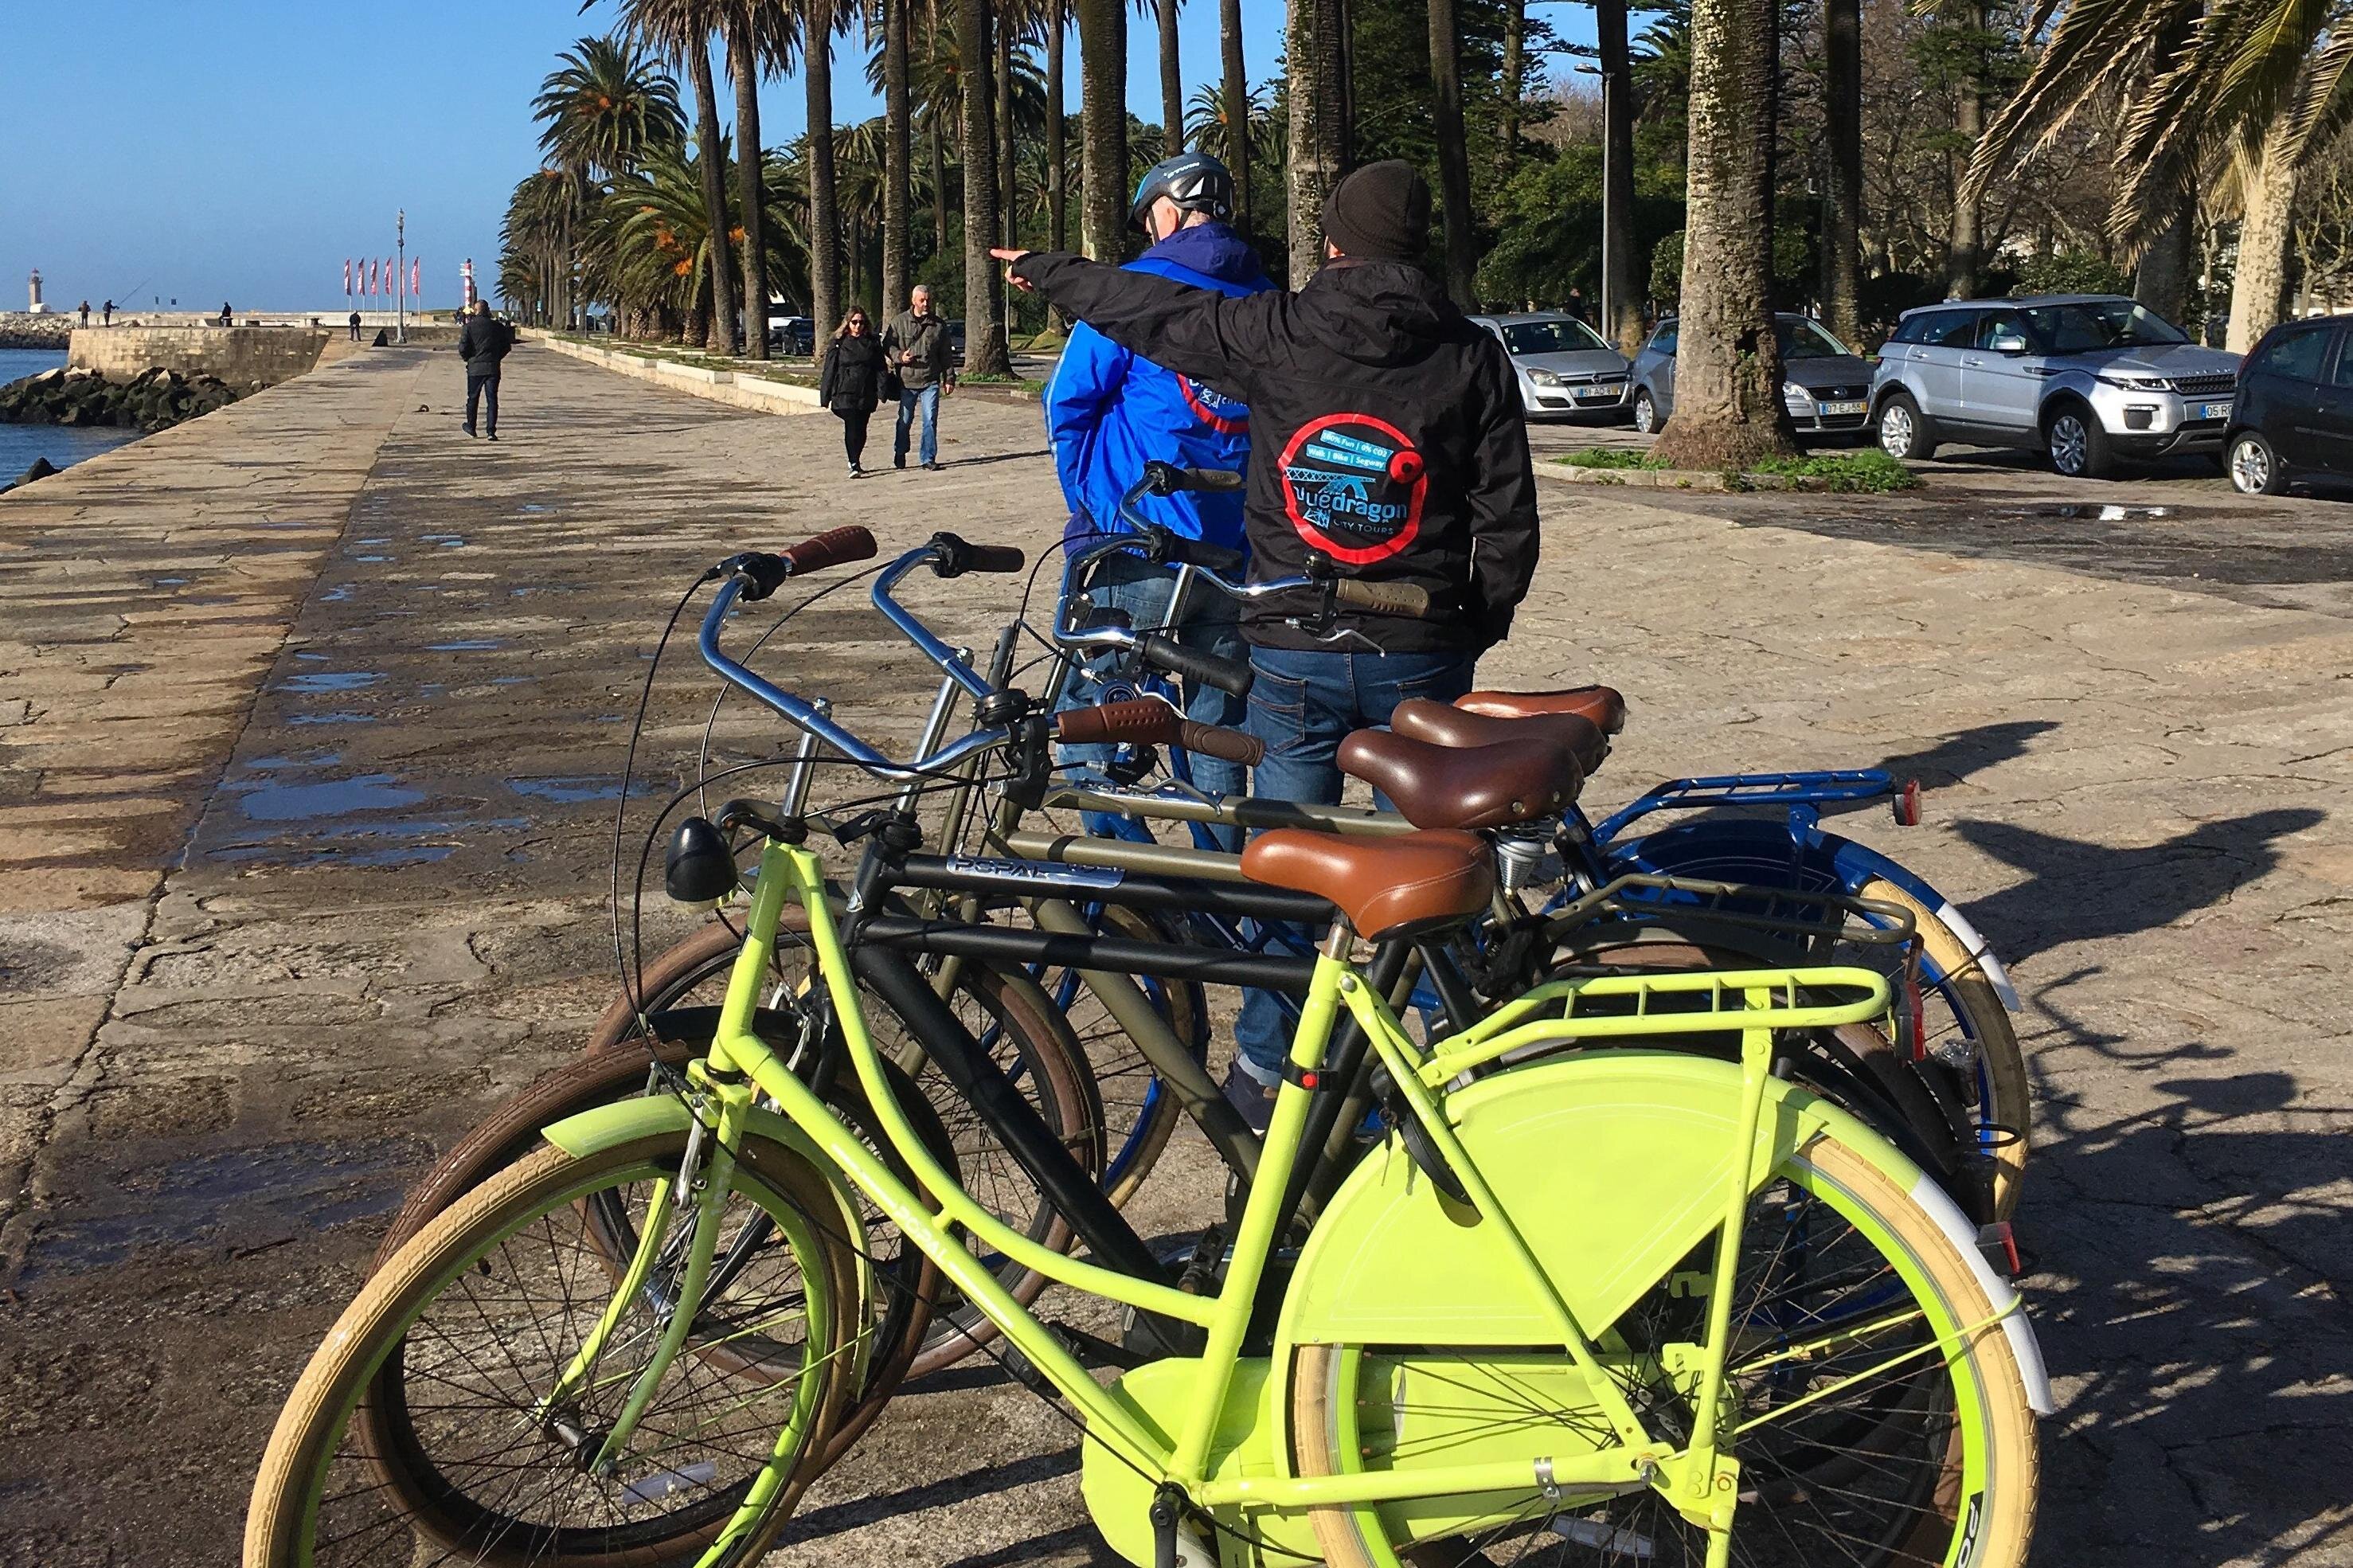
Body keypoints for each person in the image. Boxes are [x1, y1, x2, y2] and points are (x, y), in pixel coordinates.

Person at [994, 158, 1540, 1128]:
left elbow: (1148, 310)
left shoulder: (1278, 331)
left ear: (1332, 243)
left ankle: (1266, 1069)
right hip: (1421, 648)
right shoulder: (1472, 355)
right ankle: (1455, 1057)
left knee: (1290, 861)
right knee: (1427, 861)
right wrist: (1471, 624)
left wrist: (1047, 269)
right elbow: (1508, 519)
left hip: (1293, 648)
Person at [1047, 151, 1272, 849]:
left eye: (1148, 220)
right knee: (1215, 720)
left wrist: (1092, 501)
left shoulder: (1129, 293)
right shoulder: (1267, 298)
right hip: (1230, 548)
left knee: (1093, 709)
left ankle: (1124, 868)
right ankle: (1220, 875)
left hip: (1135, 540)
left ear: (1167, 212)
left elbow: (1067, 403)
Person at [881, 283, 954, 470]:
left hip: (930, 380)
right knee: (905, 421)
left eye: (928, 300)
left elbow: (946, 354)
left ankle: (928, 458)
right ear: (914, 301)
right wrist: (900, 356)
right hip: (907, 381)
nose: (926, 304)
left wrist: (949, 378)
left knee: (930, 420)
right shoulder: (899, 322)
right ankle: (900, 451)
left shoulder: (938, 325)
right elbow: (888, 345)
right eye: (922, 300)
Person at [818, 307, 885, 476]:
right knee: (852, 425)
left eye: (861, 322)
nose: (858, 326)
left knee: (861, 429)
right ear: (848, 323)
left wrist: (882, 390)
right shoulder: (839, 343)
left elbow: (880, 368)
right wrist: (825, 395)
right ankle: (853, 462)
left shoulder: (872, 343)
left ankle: (856, 459)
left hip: (866, 391)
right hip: (844, 391)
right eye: (854, 322)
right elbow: (829, 369)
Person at [458, 299, 513, 440]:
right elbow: (507, 346)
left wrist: (469, 359)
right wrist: (497, 357)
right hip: (492, 367)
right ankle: (491, 431)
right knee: (492, 399)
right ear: (488, 310)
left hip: (475, 368)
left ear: (476, 311)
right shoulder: (497, 327)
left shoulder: (469, 327)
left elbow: (463, 348)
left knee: (473, 398)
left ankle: (471, 426)